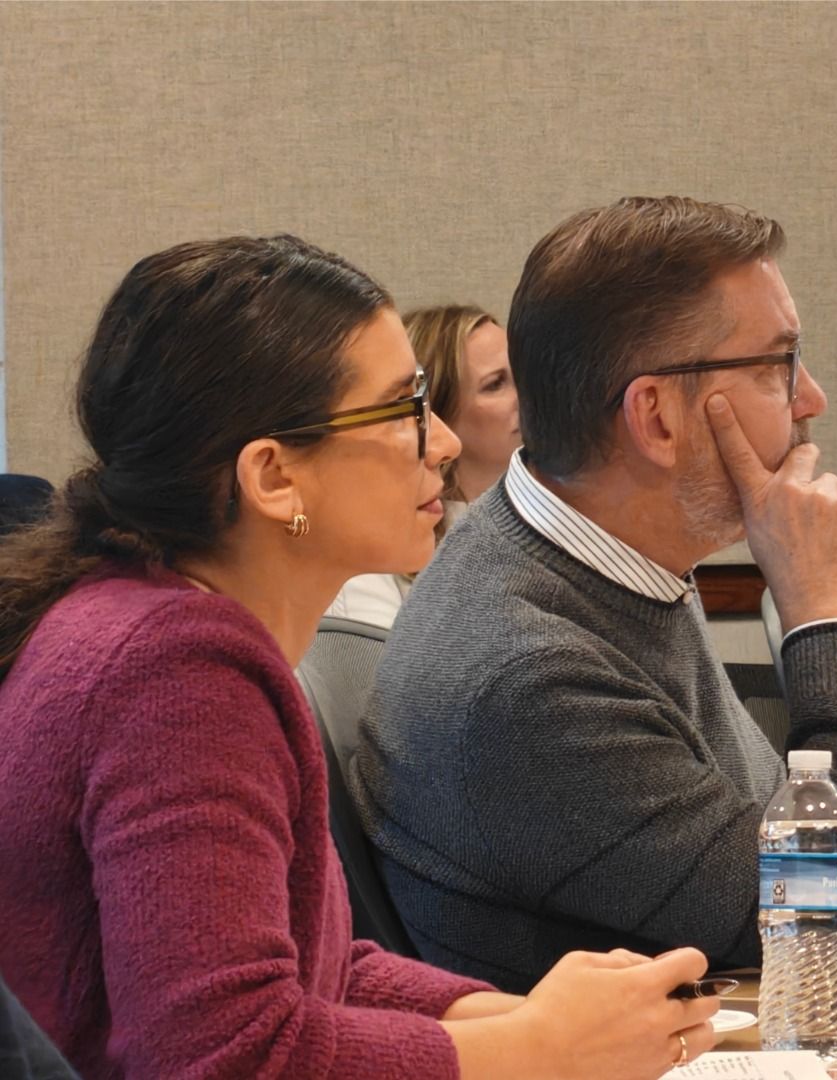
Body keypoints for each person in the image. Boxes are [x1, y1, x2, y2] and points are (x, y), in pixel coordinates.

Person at [0, 235, 719, 1079]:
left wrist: (529, 1018)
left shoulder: (142, 623)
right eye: (404, 409)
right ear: (274, 478)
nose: (444, 443)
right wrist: (536, 1049)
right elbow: (224, 1057)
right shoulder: (176, 674)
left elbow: (318, 965)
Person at [352, 196, 837, 994]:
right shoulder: (532, 682)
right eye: (776, 364)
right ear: (655, 418)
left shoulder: (605, 559)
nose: (810, 399)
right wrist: (823, 609)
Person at [329, 305, 518, 627]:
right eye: (495, 383)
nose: (527, 393)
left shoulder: (555, 518)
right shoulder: (374, 560)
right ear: (437, 412)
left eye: (522, 373)